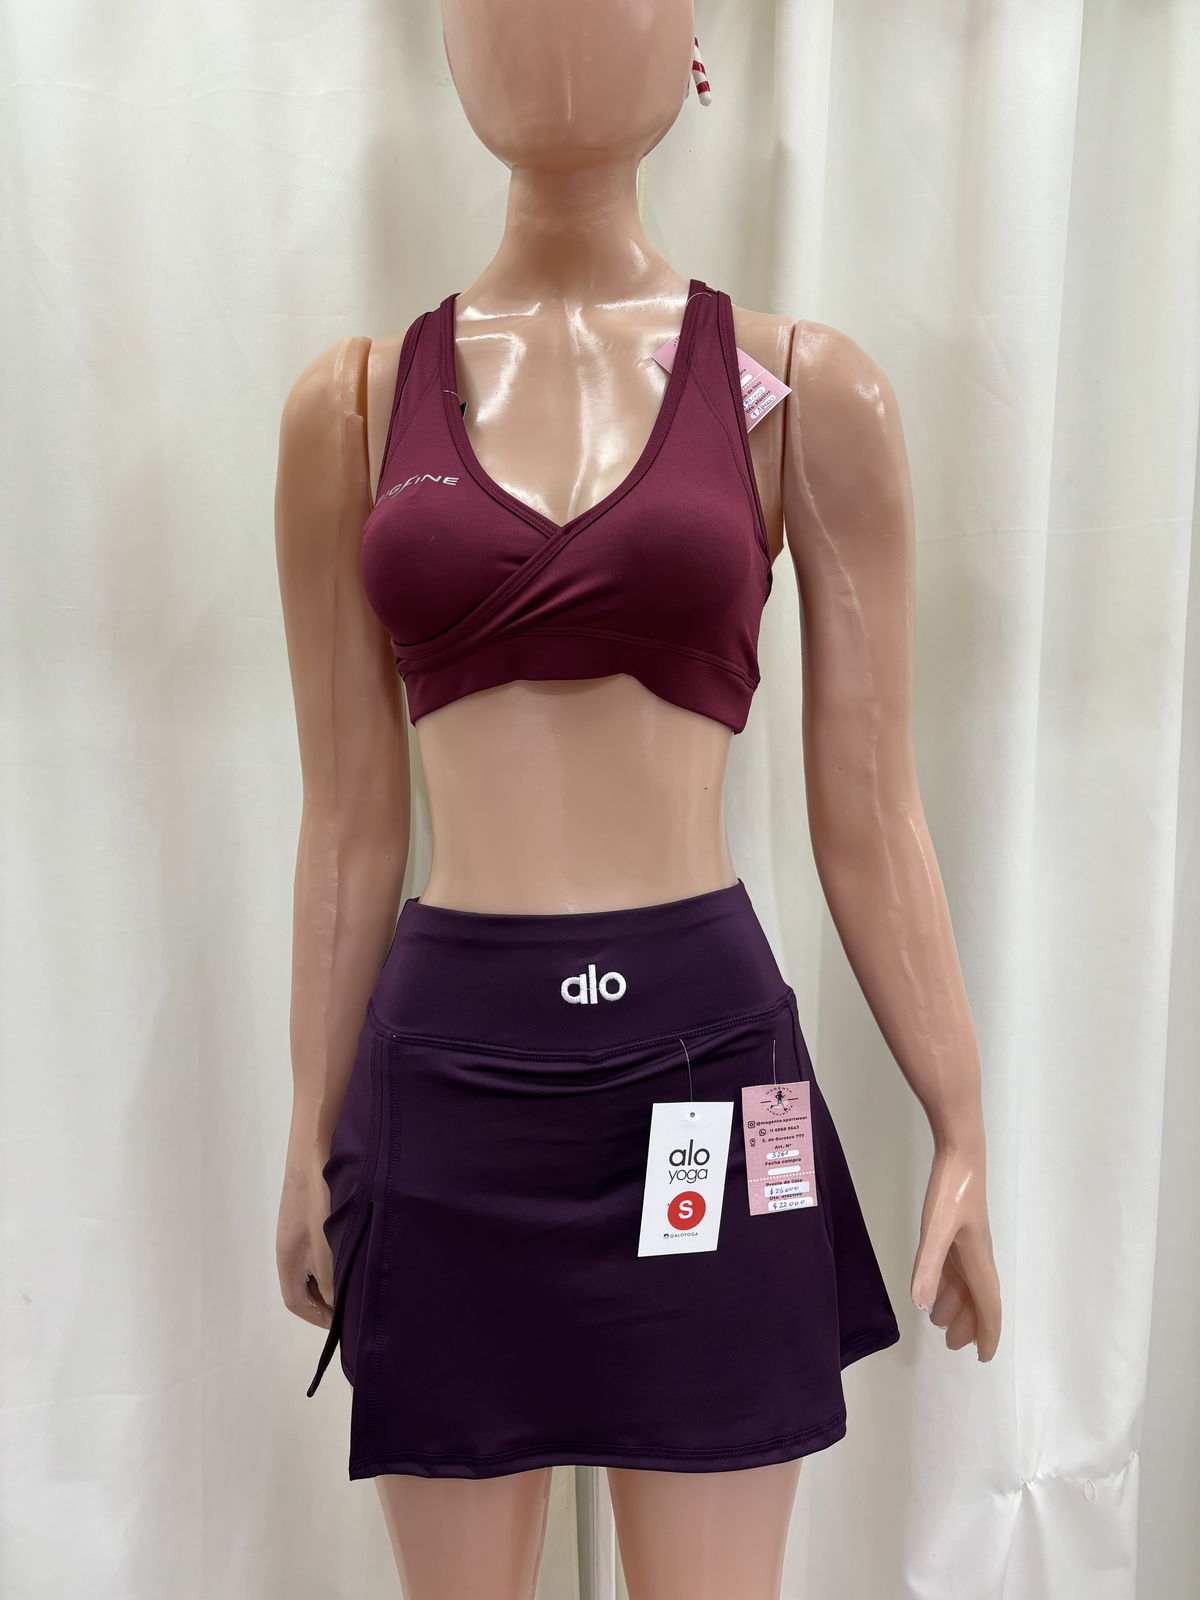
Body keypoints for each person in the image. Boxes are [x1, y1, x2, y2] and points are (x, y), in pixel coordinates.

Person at [272, 3, 1001, 1595]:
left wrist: (960, 1118)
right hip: (448, 1081)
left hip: (711, 1068)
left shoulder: (806, 388)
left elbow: (873, 806)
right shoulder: (353, 406)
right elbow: (348, 821)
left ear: (697, 45)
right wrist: (306, 1130)